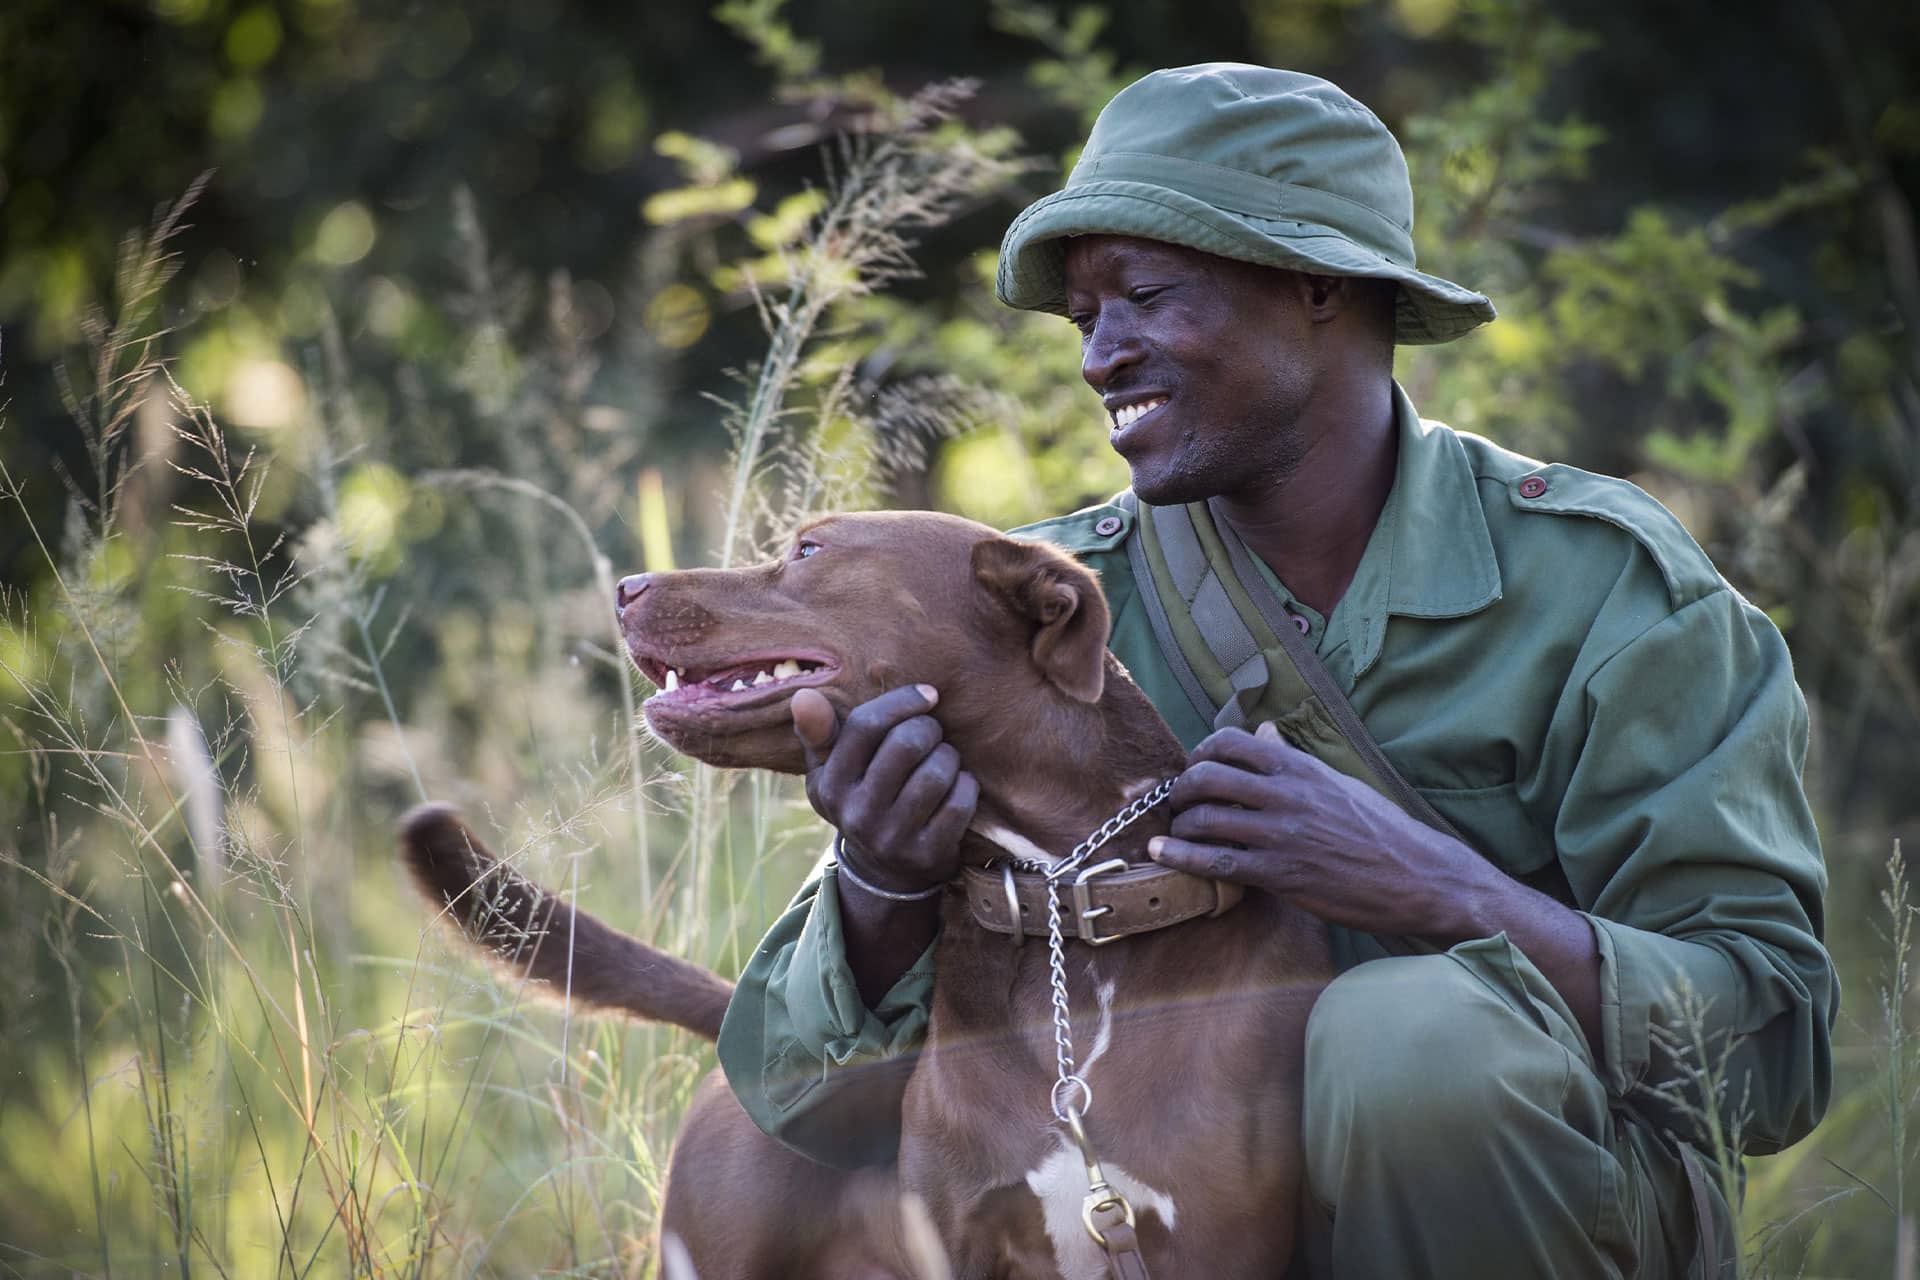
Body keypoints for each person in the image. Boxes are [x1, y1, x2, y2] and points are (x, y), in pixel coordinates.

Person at [714, 64, 1835, 1277]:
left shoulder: (1603, 591)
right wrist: (880, 886)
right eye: (1085, 317)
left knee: (1409, 1039)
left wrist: (1441, 888)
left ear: (1320, 284)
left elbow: (1770, 1051)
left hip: (1546, 1217)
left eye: (1144, 295)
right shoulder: (1046, 613)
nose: (1100, 356)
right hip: (1151, 1216)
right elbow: (798, 1103)